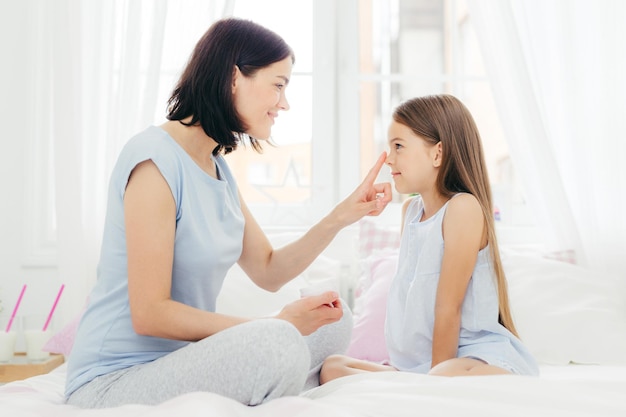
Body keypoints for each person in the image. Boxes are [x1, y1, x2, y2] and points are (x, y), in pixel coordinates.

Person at [65, 17, 392, 408]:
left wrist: (343, 215)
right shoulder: (154, 162)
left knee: (333, 322)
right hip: (115, 380)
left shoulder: (215, 165)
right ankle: (300, 373)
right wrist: (275, 326)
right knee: (278, 341)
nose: (284, 103)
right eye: (278, 85)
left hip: (178, 362)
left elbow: (269, 270)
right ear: (234, 77)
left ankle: (304, 371)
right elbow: (150, 314)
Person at [320, 94, 539, 383]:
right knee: (333, 367)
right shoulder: (410, 211)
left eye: (398, 146)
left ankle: (424, 384)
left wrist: (434, 379)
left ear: (438, 154)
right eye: (389, 147)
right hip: (423, 365)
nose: (389, 160)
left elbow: (448, 308)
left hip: (472, 357)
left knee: (446, 371)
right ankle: (417, 381)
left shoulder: (463, 208)